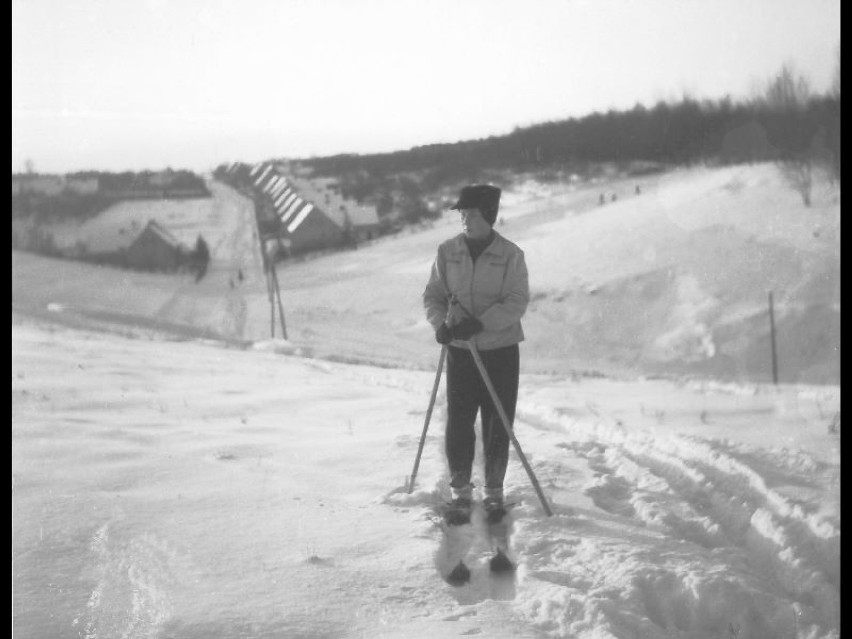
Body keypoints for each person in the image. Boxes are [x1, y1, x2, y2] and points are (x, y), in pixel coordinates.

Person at [423, 184, 530, 524]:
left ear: (488, 215)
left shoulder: (510, 254)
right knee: (459, 420)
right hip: (460, 352)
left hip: (500, 351)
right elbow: (433, 295)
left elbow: (516, 301)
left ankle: (494, 492)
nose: (465, 220)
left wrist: (481, 324)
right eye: (462, 214)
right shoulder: (447, 251)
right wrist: (440, 324)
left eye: (471, 214)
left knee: (498, 422)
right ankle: (460, 492)